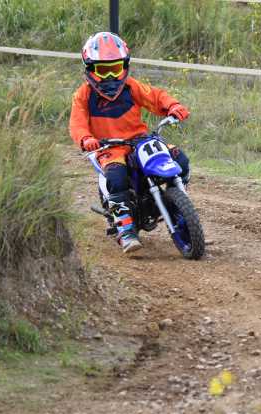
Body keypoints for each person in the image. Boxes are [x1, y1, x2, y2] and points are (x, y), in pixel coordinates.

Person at [69, 31, 191, 253]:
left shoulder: (131, 87)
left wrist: (173, 106)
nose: (109, 77)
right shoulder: (83, 95)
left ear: (124, 66)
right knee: (116, 177)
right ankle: (126, 231)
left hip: (140, 140)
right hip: (109, 147)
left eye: (114, 69)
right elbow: (77, 123)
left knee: (180, 160)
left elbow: (155, 96)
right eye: (103, 71)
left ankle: (181, 210)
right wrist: (86, 138)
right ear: (90, 69)